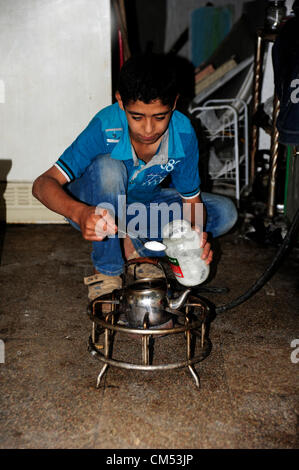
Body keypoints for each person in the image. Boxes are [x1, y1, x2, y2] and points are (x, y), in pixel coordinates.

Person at [32, 53, 237, 304]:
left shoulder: (183, 134)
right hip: (96, 212)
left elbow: (191, 201)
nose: (148, 129)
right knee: (109, 167)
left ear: (174, 103)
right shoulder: (105, 126)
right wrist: (79, 213)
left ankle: (135, 246)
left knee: (224, 213)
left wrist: (194, 241)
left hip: (141, 211)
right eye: (137, 117)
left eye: (160, 117)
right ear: (120, 102)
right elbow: (42, 185)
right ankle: (107, 270)